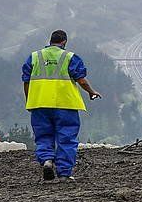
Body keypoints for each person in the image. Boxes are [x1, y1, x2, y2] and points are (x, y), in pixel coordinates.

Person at [22, 30, 101, 182]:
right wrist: (91, 92)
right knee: (67, 138)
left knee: (43, 136)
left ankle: (47, 160)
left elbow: (26, 81)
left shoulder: (34, 57)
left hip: (40, 105)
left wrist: (30, 100)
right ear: (64, 42)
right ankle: (64, 173)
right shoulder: (70, 57)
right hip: (65, 105)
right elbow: (81, 80)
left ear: (50, 41)